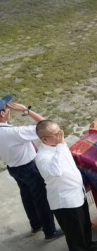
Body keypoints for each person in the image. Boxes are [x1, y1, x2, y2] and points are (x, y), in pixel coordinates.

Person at [35, 120, 97, 251]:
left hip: (76, 193)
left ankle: (87, 244)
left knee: (84, 222)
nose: (61, 135)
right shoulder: (42, 157)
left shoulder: (58, 145)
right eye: (56, 134)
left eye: (60, 130)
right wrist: (60, 146)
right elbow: (56, 171)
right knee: (74, 231)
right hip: (65, 201)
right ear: (44, 139)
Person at [0, 96, 62, 241]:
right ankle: (50, 231)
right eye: (7, 108)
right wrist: (26, 111)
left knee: (27, 196)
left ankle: (36, 224)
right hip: (28, 168)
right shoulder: (14, 133)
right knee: (41, 198)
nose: (9, 110)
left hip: (13, 168)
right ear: (2, 114)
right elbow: (48, 126)